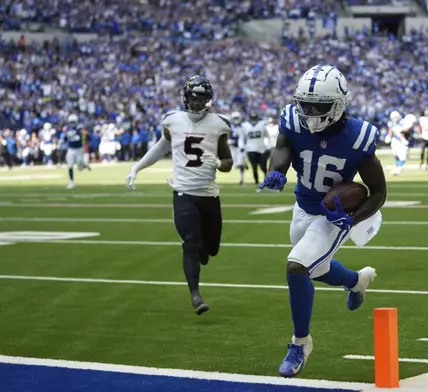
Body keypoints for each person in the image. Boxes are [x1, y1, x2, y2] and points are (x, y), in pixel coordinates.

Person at [261, 64, 387, 378]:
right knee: (315, 270)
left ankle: (300, 343)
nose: (308, 111)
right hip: (302, 207)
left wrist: (351, 219)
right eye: (304, 104)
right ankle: (357, 281)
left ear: (338, 106)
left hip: (332, 213)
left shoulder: (358, 136)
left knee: (297, 266)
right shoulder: (292, 120)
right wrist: (276, 171)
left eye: (317, 106)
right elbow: (283, 149)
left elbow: (379, 191)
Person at [125, 75, 233, 315]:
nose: (196, 104)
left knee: (211, 249)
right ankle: (195, 295)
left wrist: (216, 162)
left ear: (209, 100)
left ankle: (202, 252)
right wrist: (137, 167)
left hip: (209, 195)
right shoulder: (172, 121)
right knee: (190, 242)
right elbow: (161, 147)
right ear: (185, 99)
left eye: (201, 99)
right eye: (193, 99)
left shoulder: (219, 124)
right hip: (183, 193)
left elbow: (228, 162)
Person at [243, 111, 270, 190]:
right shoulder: (245, 126)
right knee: (254, 167)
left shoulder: (262, 124)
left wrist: (268, 145)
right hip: (250, 149)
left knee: (263, 167)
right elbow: (242, 138)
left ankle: (266, 181)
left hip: (261, 148)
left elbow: (267, 136)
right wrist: (242, 147)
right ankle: (257, 183)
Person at [63, 114, 89, 189]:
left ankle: (83, 165)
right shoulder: (67, 128)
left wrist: (82, 133)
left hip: (79, 149)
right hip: (71, 149)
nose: (72, 123)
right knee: (70, 165)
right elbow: (65, 138)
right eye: (71, 122)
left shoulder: (79, 127)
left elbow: (85, 134)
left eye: (73, 122)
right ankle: (71, 182)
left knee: (80, 167)